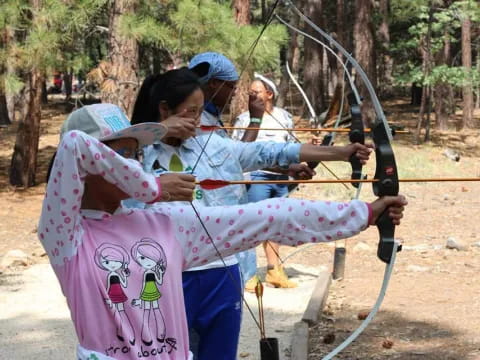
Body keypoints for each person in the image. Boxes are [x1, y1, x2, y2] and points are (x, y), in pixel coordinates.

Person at [38, 102, 407, 360]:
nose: (132, 163)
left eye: (135, 155)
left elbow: (270, 216)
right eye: (121, 154)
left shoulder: (161, 224)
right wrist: (153, 187)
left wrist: (365, 213)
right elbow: (75, 145)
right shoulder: (67, 236)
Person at [130, 59, 372, 360]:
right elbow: (91, 159)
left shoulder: (213, 146)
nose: (196, 120)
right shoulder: (133, 154)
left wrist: (341, 153)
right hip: (166, 276)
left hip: (222, 273)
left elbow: (271, 151)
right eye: (190, 112)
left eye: (199, 111)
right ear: (164, 110)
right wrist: (157, 132)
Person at [232, 74, 300, 290]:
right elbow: (237, 151)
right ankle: (249, 274)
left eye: (256, 92)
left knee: (276, 223)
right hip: (256, 179)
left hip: (280, 179)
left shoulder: (284, 117)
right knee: (253, 224)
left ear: (269, 94)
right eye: (250, 92)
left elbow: (291, 145)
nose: (251, 95)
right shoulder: (244, 119)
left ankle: (274, 270)